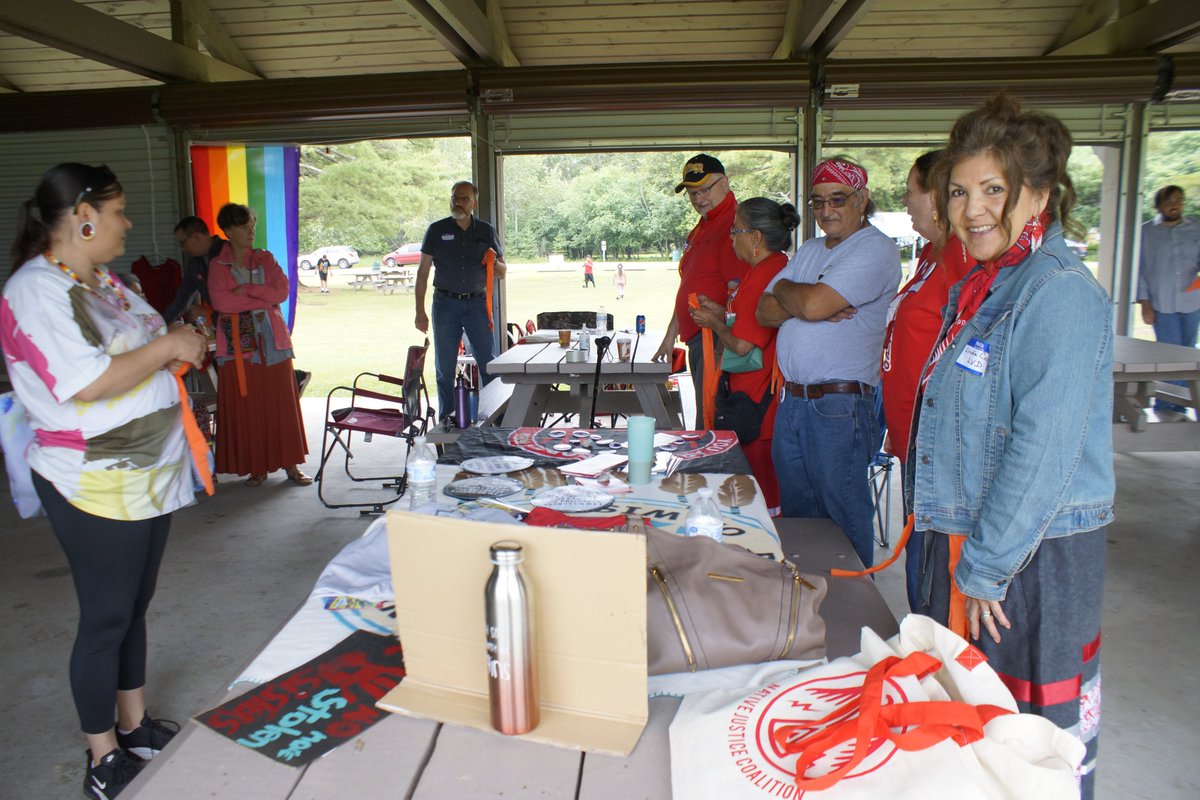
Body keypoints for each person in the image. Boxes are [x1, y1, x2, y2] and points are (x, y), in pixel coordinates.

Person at [911, 94, 1114, 797]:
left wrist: (985, 567)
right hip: (976, 543)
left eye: (994, 189)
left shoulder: (1057, 293)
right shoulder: (987, 285)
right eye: (958, 191)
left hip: (1026, 557)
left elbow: (1042, 452)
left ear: (1040, 194)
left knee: (1031, 749)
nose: (972, 210)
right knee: (973, 738)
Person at [1, 163, 208, 798]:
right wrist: (170, 344)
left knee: (133, 607)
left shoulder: (102, 281)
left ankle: (135, 725)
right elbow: (86, 381)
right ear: (84, 217)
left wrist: (177, 339)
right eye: (118, 212)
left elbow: (146, 340)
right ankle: (102, 756)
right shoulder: (36, 290)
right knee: (105, 617)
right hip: (95, 479)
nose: (127, 223)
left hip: (146, 473)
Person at [757, 157, 900, 567]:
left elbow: (813, 305)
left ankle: (854, 602)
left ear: (862, 199)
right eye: (817, 202)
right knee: (800, 518)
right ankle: (810, 598)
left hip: (840, 404)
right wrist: (803, 297)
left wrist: (796, 294)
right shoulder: (810, 249)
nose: (826, 210)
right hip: (793, 401)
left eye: (837, 199)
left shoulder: (875, 248)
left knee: (842, 517)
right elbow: (764, 311)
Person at [880, 150, 975, 611]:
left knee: (930, 566)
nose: (904, 200)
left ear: (936, 197)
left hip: (937, 441)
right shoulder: (931, 256)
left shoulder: (961, 255)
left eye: (910, 191)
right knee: (917, 557)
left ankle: (930, 645)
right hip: (913, 435)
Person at [689, 198, 799, 514]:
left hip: (757, 403)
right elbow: (746, 321)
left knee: (761, 499)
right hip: (758, 398)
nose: (731, 238)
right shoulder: (770, 267)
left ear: (755, 238)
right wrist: (720, 313)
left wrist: (714, 324)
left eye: (735, 231)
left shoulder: (765, 273)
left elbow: (741, 345)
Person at [208, 202, 312, 487]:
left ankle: (291, 465)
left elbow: (281, 291)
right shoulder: (218, 265)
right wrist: (261, 298)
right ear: (229, 230)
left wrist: (247, 289)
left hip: (273, 341)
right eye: (244, 226)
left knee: (282, 404)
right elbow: (222, 302)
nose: (251, 231)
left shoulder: (265, 258)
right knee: (250, 407)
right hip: (239, 346)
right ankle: (257, 467)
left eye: (253, 225)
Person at [653, 154, 748, 429]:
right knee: (706, 415)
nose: (699, 198)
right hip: (698, 338)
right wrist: (670, 335)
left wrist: (722, 329)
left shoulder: (737, 224)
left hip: (717, 340)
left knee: (714, 419)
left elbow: (745, 291)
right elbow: (689, 285)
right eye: (693, 193)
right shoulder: (703, 225)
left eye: (705, 189)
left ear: (725, 183)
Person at [414, 180, 507, 420]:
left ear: (474, 203)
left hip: (477, 305)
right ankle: (446, 421)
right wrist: (419, 311)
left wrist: (492, 259)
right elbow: (423, 272)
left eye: (464, 198)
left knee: (488, 363)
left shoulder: (486, 231)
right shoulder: (436, 230)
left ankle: (493, 418)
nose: (458, 202)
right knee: (445, 367)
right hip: (445, 305)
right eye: (455, 197)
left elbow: (502, 272)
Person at [1136, 185, 1200, 421]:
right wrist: (1145, 302)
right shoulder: (1146, 232)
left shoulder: (1195, 227)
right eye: (1169, 201)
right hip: (1162, 303)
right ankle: (1166, 406)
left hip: (1191, 301)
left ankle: (1182, 405)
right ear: (1158, 205)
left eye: (1179, 200)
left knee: (1188, 353)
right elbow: (1140, 269)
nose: (1175, 205)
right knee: (1168, 355)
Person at [164, 216, 224, 323]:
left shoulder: (228, 252)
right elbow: (182, 299)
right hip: (219, 323)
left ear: (196, 236)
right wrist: (161, 325)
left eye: (183, 243)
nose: (183, 249)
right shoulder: (195, 264)